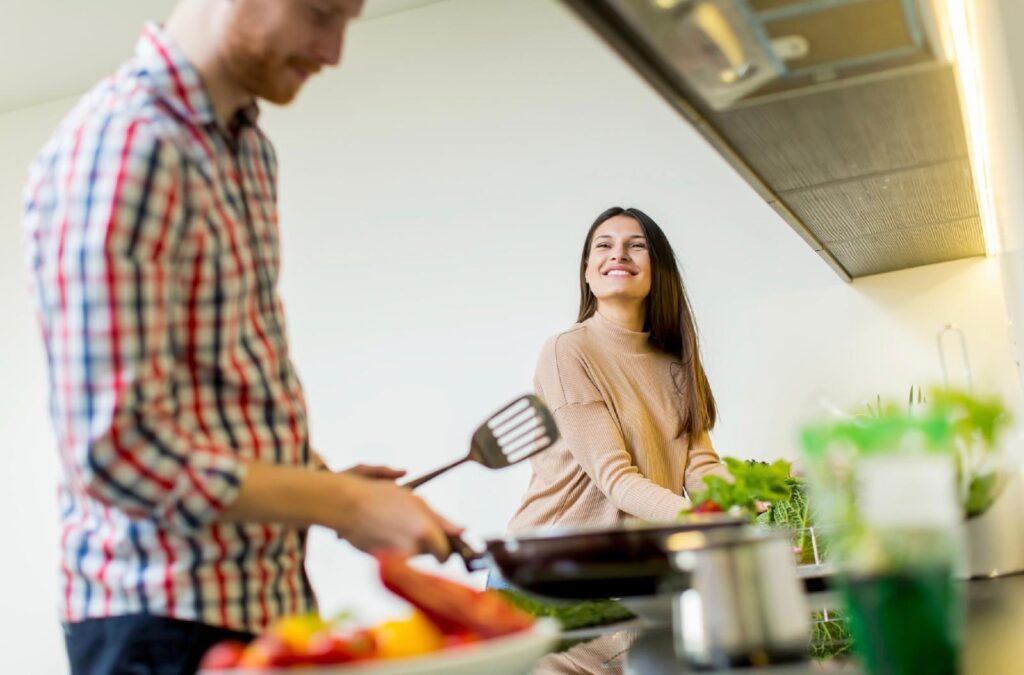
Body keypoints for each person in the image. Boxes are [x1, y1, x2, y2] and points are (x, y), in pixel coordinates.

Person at [22, 1, 458, 672]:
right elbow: (114, 448)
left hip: (263, 602)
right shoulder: (126, 144)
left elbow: (214, 390)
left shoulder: (247, 148)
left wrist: (328, 490)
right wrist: (341, 500)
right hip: (160, 621)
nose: (334, 49)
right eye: (320, 13)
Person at [507, 206, 730, 535]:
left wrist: (770, 491)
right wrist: (711, 522)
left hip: (628, 565)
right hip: (547, 566)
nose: (619, 255)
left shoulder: (677, 365)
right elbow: (616, 480)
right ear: (587, 271)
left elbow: (700, 474)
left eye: (637, 246)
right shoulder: (568, 351)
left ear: (658, 269)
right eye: (604, 245)